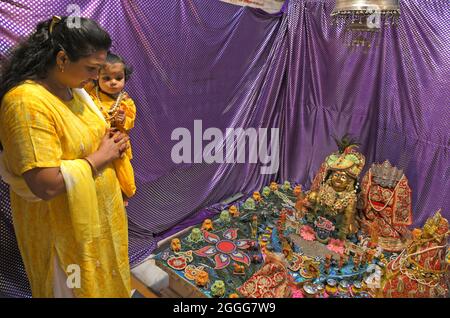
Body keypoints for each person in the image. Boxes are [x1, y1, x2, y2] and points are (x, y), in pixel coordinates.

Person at [0, 16, 131, 297]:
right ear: (62, 59)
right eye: (92, 69)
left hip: (98, 221)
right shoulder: (26, 103)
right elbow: (45, 184)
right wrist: (102, 156)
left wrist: (112, 141)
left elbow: (85, 141)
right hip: (63, 233)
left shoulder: (73, 89)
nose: (96, 77)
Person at [84, 52, 137, 203]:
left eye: (118, 78)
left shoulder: (126, 102)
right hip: (94, 145)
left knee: (122, 174)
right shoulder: (89, 93)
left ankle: (123, 196)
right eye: (106, 78)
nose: (113, 82)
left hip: (116, 144)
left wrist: (123, 119)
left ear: (125, 77)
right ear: (97, 78)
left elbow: (130, 121)